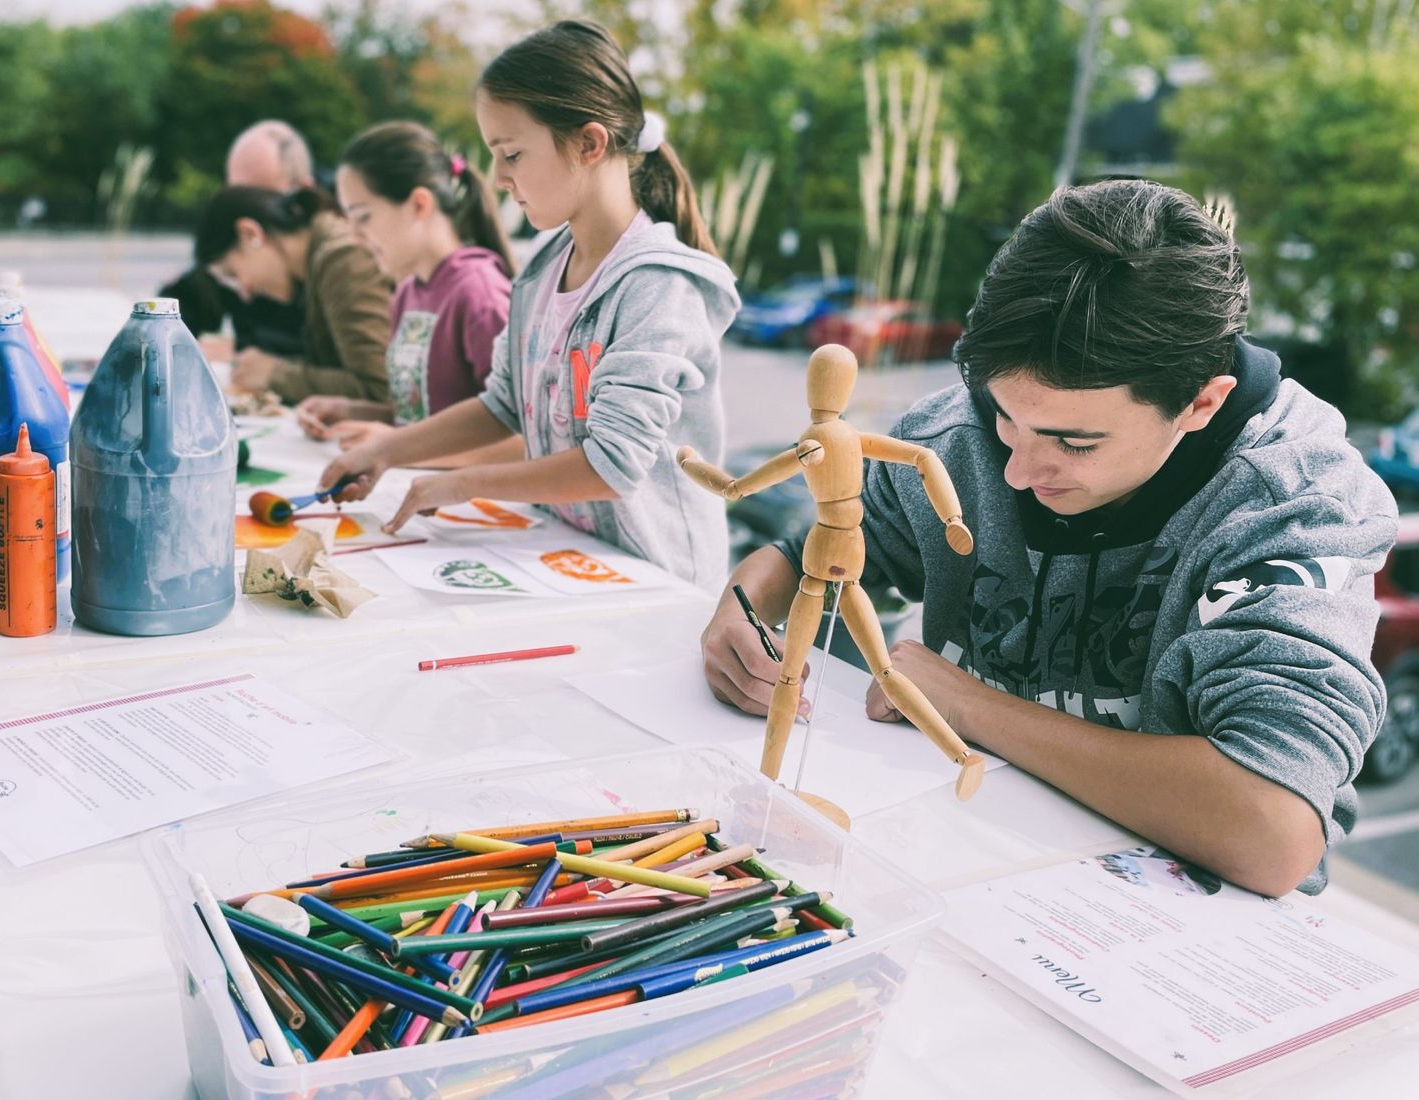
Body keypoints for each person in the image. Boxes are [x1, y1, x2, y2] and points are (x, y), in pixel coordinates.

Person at [699, 178, 1397, 897]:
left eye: (1074, 442)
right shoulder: (964, 430)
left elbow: (1269, 828)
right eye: (1005, 416)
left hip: (1175, 929)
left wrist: (970, 706)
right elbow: (816, 547)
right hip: (960, 860)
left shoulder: (1294, 503)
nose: (1021, 470)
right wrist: (742, 609)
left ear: (1200, 403)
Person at [319, 20, 739, 588]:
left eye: (512, 153)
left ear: (589, 144)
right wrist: (387, 450)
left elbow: (612, 465)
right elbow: (504, 402)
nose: (496, 178)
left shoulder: (659, 286)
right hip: (570, 561)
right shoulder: (541, 273)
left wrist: (464, 482)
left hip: (660, 585)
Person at [301, 120, 523, 467]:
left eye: (363, 217)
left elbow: (523, 439)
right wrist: (356, 411)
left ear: (419, 204)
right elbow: (426, 414)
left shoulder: (478, 293)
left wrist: (394, 449)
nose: (355, 237)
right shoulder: (408, 292)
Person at [192, 185, 394, 404]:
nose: (245, 293)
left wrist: (274, 373)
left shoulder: (342, 259)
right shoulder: (321, 260)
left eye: (233, 275)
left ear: (250, 234)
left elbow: (380, 390)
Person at [161, 120, 315, 359]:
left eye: (260, 199)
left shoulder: (337, 248)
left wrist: (244, 350)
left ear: (303, 191)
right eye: (236, 195)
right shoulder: (235, 246)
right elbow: (182, 307)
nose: (244, 217)